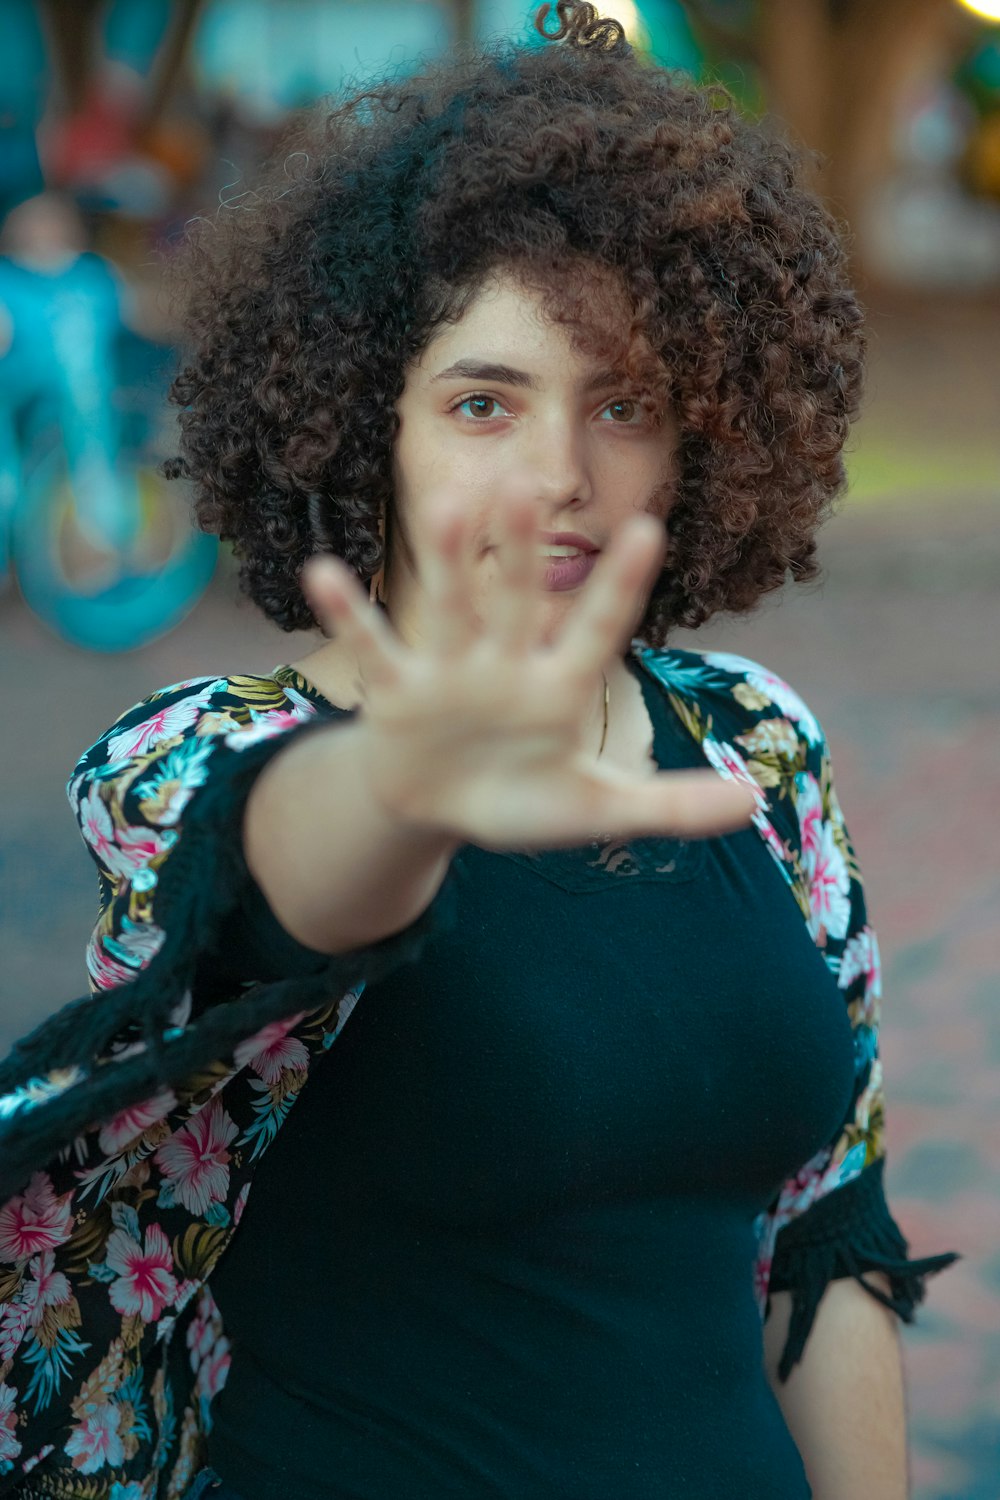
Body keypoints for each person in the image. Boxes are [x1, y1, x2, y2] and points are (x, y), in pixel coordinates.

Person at [0, 5, 958, 1497]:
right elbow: (283, 892)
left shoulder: (754, 741)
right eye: (483, 403)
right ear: (356, 419)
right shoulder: (192, 759)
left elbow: (829, 1232)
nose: (559, 479)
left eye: (623, 404)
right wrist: (403, 785)